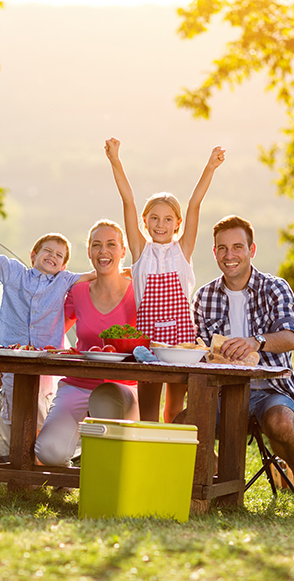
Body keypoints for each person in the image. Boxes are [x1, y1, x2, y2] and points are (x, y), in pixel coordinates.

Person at [192, 215, 294, 506]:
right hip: (222, 391)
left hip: (269, 389)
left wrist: (255, 341)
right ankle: (223, 478)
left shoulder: (275, 288)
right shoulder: (203, 296)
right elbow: (198, 346)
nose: (229, 255)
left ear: (252, 250)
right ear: (214, 253)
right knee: (184, 425)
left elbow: (290, 337)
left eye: (237, 247)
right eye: (222, 248)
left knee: (283, 423)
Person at [104, 137, 225, 423]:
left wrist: (210, 167)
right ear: (144, 222)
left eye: (168, 219)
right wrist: (115, 161)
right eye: (155, 219)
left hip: (181, 343)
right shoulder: (139, 251)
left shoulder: (183, 251)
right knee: (148, 411)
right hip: (148, 341)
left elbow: (195, 204)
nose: (161, 225)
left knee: (174, 409)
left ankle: (173, 458)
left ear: (178, 224)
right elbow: (128, 201)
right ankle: (149, 460)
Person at [0, 206, 94, 431]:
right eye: (47, 250)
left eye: (58, 255)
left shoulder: (63, 280)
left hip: (44, 355)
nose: (52, 256)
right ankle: (19, 450)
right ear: (34, 255)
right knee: (15, 403)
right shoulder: (15, 272)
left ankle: (36, 451)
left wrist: (131, 270)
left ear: (64, 266)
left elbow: (93, 275)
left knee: (41, 404)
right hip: (11, 352)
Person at [34, 220, 140, 466]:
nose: (103, 251)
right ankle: (69, 461)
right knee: (49, 452)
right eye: (96, 245)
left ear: (123, 251)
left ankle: (99, 465)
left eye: (111, 245)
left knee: (108, 404)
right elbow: (53, 330)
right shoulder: (78, 292)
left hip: (121, 387)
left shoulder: (138, 292)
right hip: (79, 383)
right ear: (89, 252)